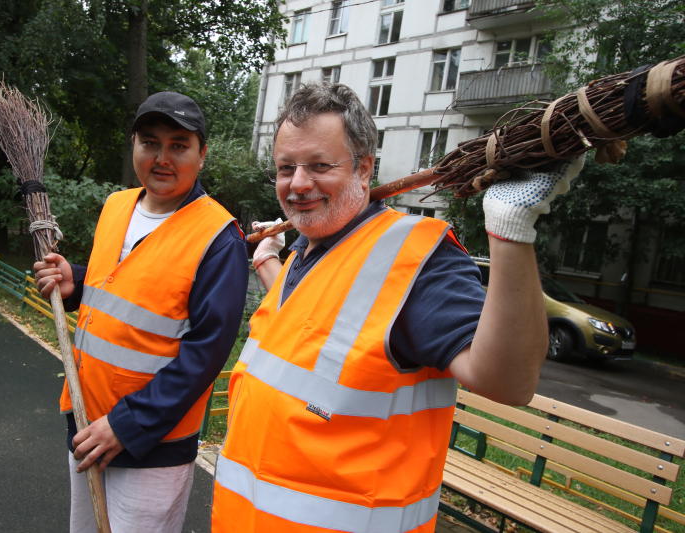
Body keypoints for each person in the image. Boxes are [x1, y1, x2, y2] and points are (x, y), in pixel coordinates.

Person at [211, 82, 583, 533]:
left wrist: (510, 230)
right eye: (286, 168)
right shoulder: (308, 253)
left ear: (365, 168)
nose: (299, 183)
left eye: (319, 166)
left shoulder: (414, 259)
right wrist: (269, 256)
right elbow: (307, 330)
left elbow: (508, 381)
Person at [33, 91, 248, 533]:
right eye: (150, 142)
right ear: (133, 145)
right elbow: (127, 287)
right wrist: (77, 282)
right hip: (86, 419)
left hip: (150, 445)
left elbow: (204, 356)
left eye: (178, 145)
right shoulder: (117, 205)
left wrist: (127, 426)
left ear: (202, 155)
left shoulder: (218, 239)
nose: (162, 157)